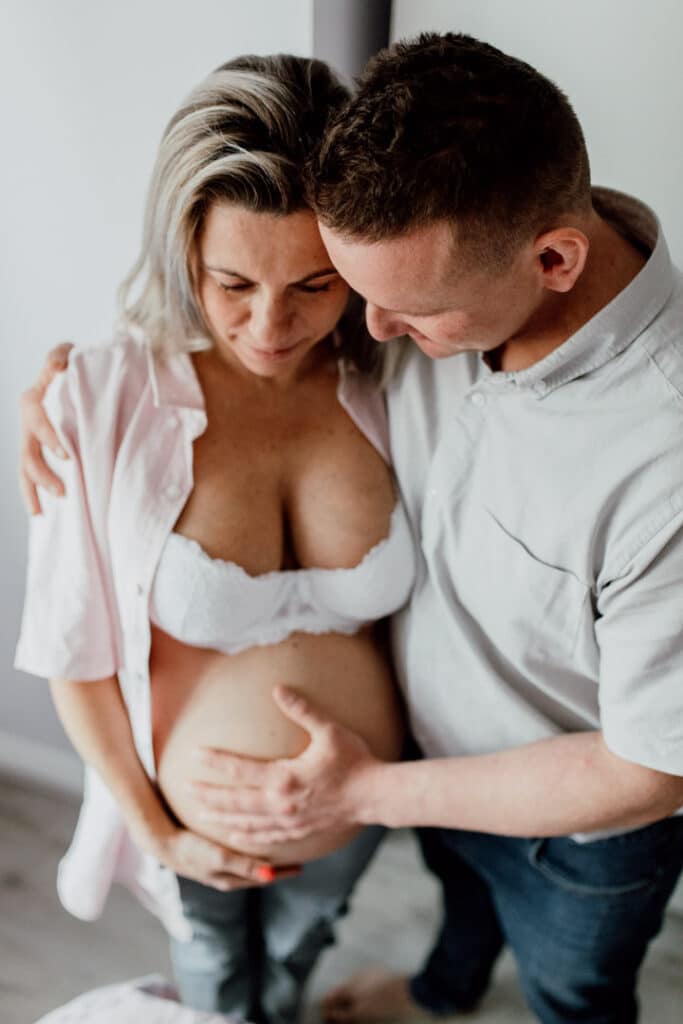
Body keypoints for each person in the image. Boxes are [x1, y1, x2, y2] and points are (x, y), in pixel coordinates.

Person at [14, 53, 414, 1024]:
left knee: (294, 962)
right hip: (194, 834)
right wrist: (160, 834)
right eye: (229, 281)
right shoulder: (101, 398)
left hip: (358, 816)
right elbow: (77, 658)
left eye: (313, 285)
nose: (269, 326)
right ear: (180, 247)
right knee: (217, 995)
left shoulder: (399, 381)